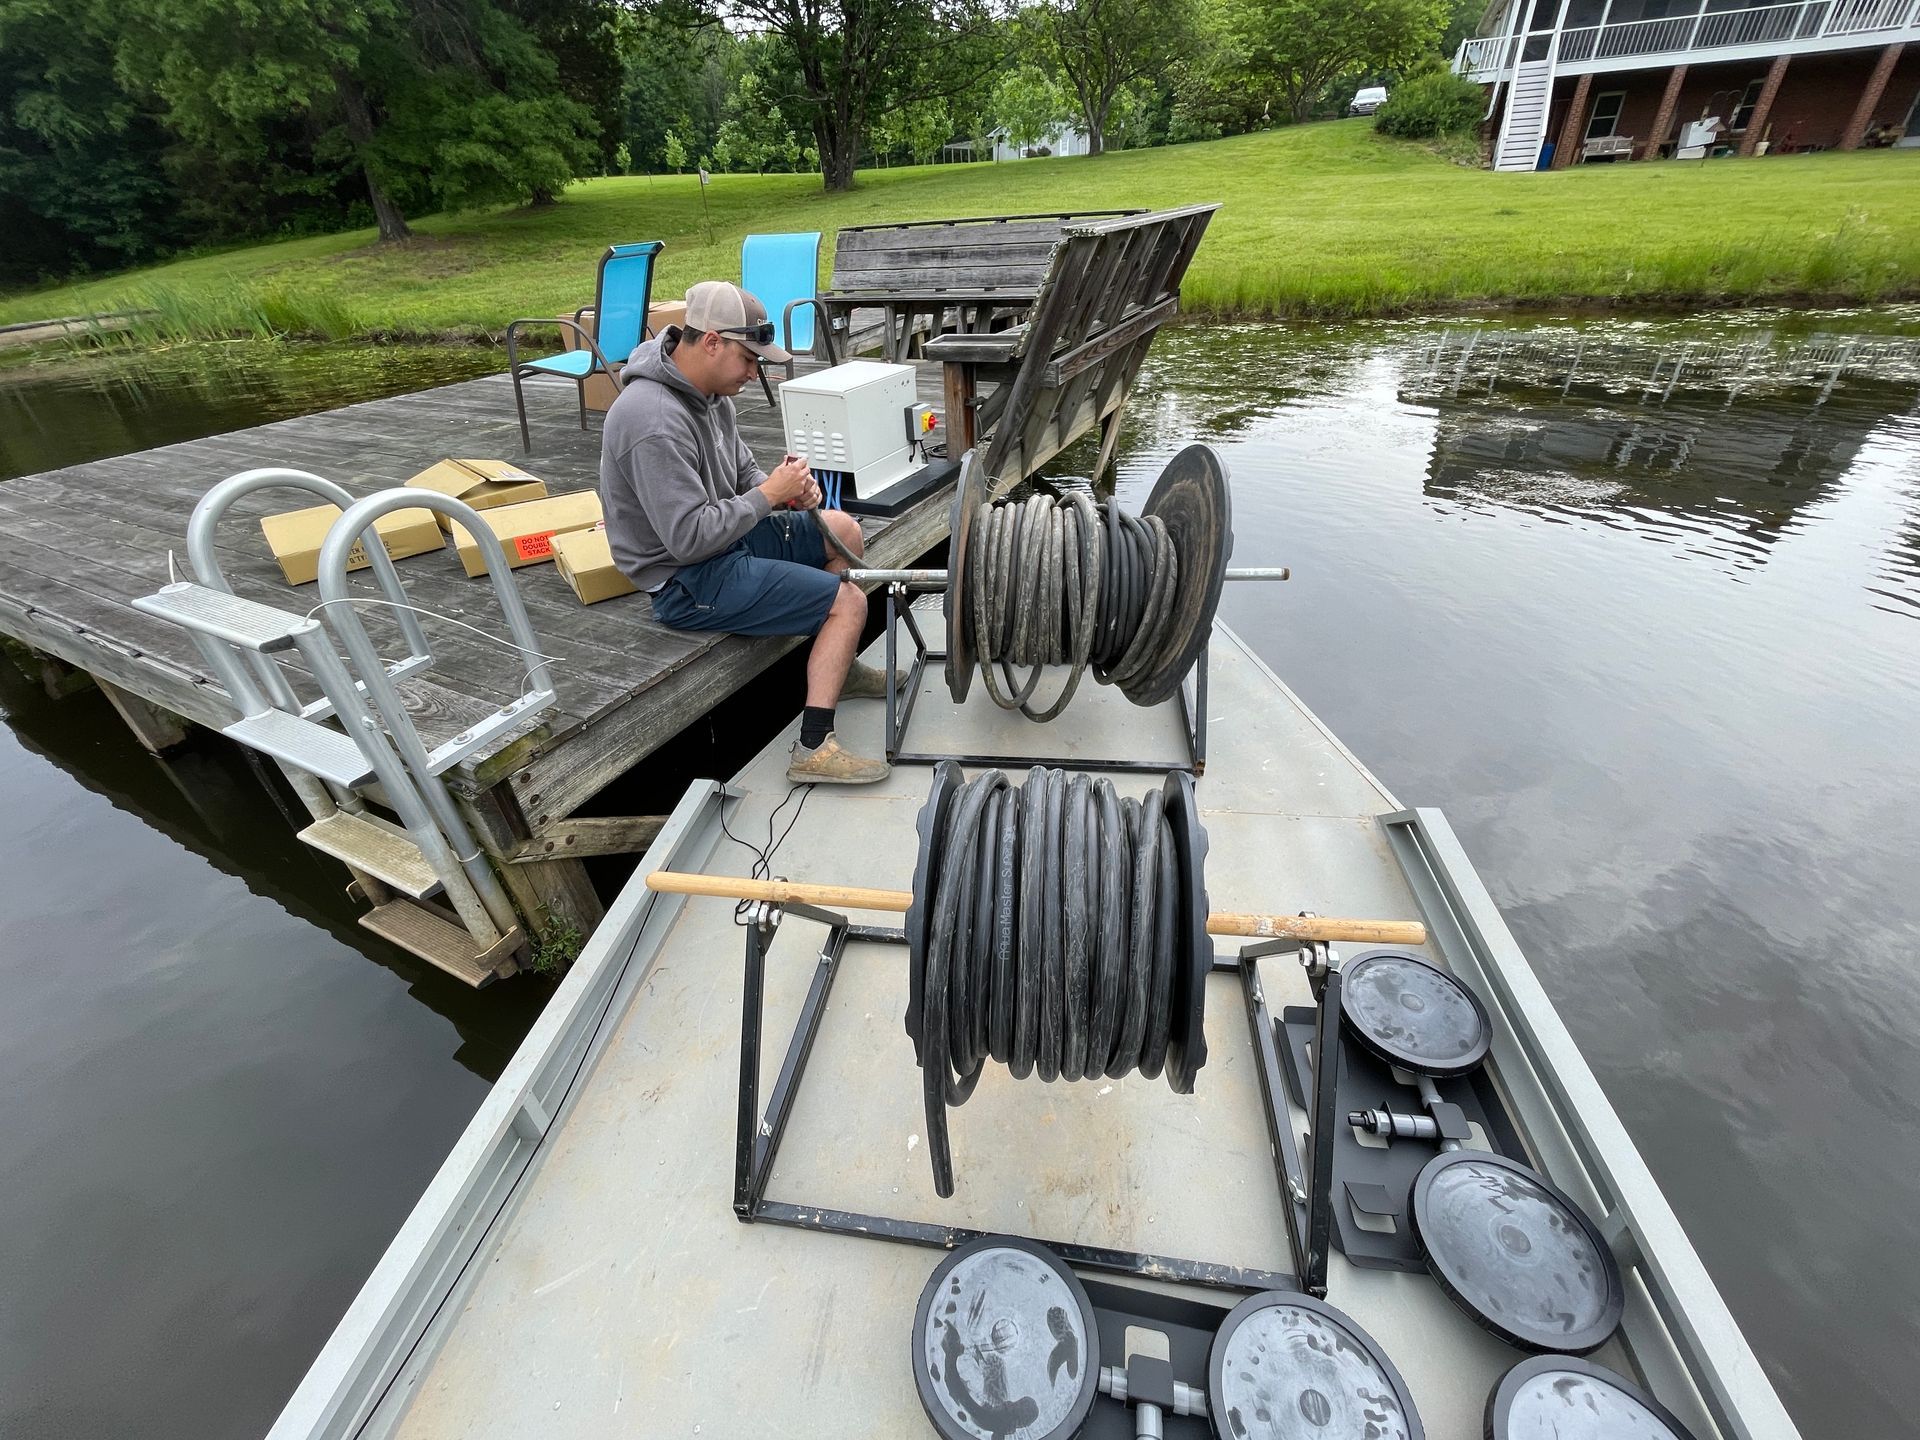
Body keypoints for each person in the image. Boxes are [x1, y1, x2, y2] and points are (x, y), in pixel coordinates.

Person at [599, 281, 897, 785]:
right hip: (684, 579)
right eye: (750, 358)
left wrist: (787, 489)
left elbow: (745, 478)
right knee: (850, 603)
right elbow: (688, 540)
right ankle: (812, 748)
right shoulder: (651, 420)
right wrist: (768, 496)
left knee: (842, 527)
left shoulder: (713, 396)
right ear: (712, 342)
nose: (756, 372)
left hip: (724, 542)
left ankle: (836, 670)